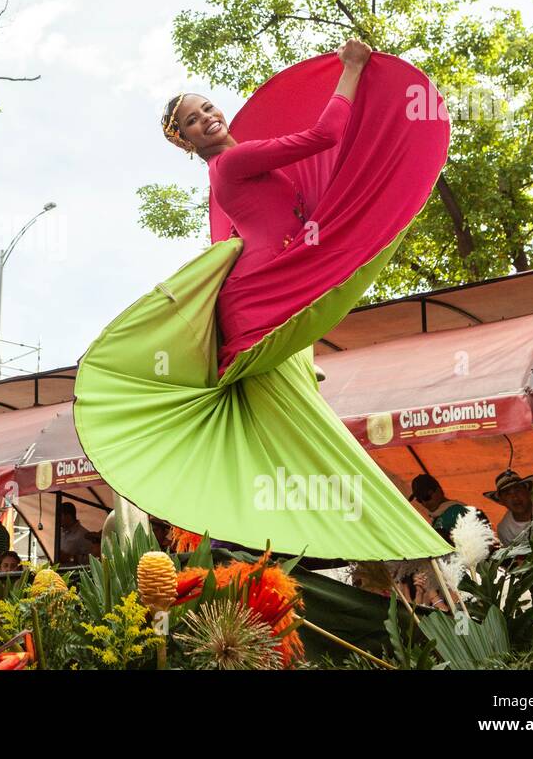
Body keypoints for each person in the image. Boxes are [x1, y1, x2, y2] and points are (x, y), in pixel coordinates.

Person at [73, 41, 452, 562]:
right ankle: (369, 545)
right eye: (191, 119)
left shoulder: (228, 171)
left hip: (271, 296)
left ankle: (309, 544)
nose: (205, 117)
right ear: (183, 141)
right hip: (262, 305)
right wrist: (353, 70)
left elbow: (243, 230)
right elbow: (324, 135)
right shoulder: (233, 163)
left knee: (288, 422)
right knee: (297, 428)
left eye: (207, 107)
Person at [410, 473, 492, 546]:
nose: (425, 503)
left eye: (426, 497)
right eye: (419, 500)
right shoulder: (438, 516)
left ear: (439, 491)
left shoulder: (457, 511)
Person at [486, 469, 533, 547]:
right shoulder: (504, 529)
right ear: (502, 501)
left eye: (518, 490)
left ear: (527, 491)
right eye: (507, 494)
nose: (515, 497)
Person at [57, 501, 100, 565]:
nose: (58, 519)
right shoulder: (59, 533)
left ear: (68, 516)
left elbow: (92, 559)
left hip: (75, 573)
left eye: (60, 516)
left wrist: (71, 558)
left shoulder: (83, 535)